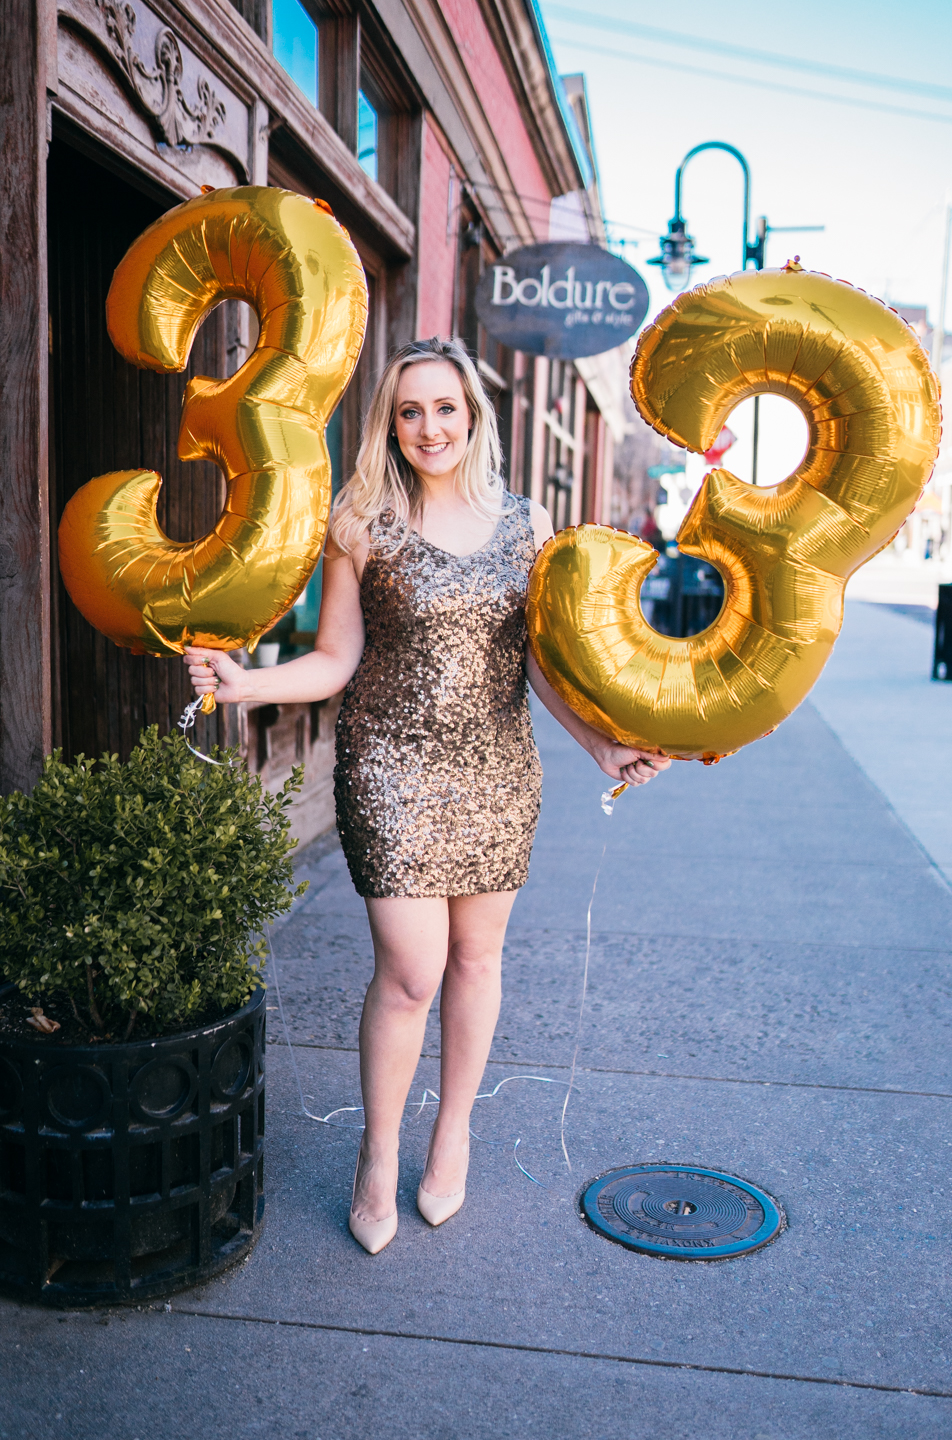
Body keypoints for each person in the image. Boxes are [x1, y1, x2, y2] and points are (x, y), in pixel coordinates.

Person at [185, 337, 671, 1254]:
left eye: (445, 407)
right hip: (390, 768)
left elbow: (540, 665)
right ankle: (378, 1154)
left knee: (478, 965)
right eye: (410, 411)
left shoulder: (528, 527)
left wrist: (603, 746)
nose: (429, 427)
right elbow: (334, 659)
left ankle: (452, 1138)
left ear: (474, 415)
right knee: (410, 974)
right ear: (389, 424)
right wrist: (244, 683)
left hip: (496, 770)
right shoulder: (361, 518)